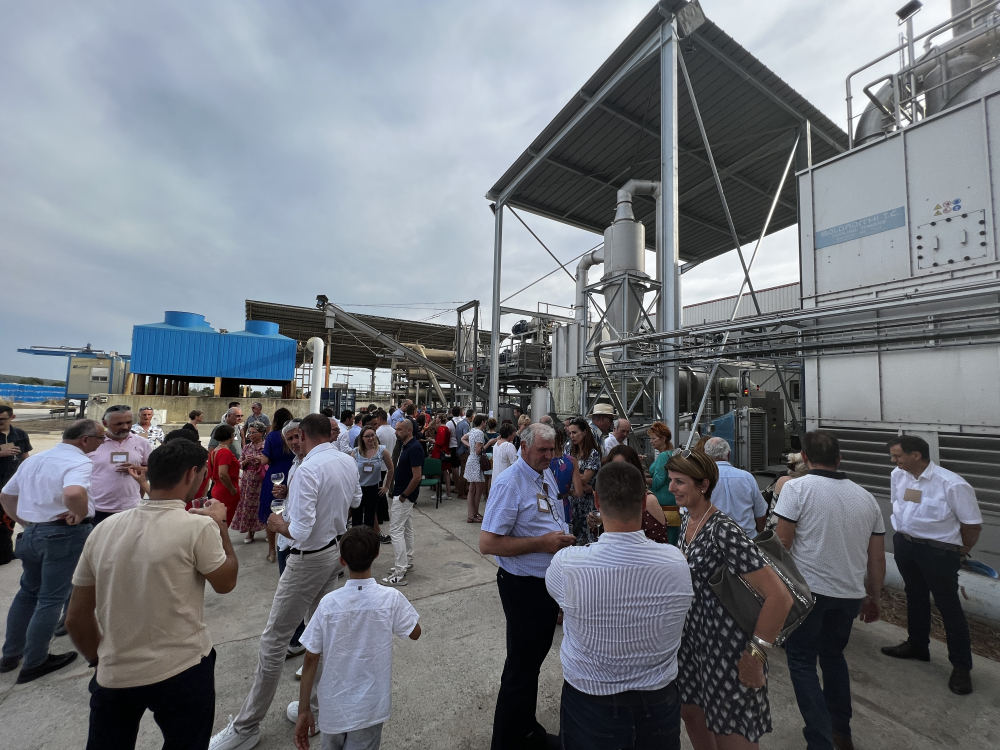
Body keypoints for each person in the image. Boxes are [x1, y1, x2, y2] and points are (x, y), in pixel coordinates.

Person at [65, 439, 239, 750]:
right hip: (183, 665)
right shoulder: (197, 527)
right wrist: (221, 524)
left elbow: (76, 616)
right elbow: (225, 582)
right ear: (192, 474)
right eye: (203, 475)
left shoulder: (104, 530)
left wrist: (99, 660)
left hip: (115, 671)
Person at [210, 413, 362, 750]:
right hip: (332, 551)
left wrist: (279, 525)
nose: (293, 443)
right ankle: (316, 710)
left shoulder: (309, 468)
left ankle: (247, 726)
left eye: (296, 438)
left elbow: (301, 530)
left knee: (274, 641)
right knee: (319, 633)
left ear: (304, 435)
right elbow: (355, 501)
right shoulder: (345, 460)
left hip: (308, 557)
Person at [546, 461, 693, 750]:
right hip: (658, 700)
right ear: (644, 502)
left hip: (591, 700)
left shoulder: (568, 564)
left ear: (597, 501)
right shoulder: (676, 562)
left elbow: (559, 599)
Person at [668, 449, 793, 749]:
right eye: (671, 480)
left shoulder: (723, 530)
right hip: (695, 646)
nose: (671, 488)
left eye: (680, 481)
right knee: (692, 713)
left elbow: (780, 597)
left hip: (727, 651)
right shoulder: (689, 521)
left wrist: (755, 656)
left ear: (704, 485)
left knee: (731, 730)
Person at [774, 430, 886, 750]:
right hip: (849, 595)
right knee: (834, 657)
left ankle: (820, 740)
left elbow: (783, 542)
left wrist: (774, 588)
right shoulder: (866, 498)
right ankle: (841, 731)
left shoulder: (796, 488)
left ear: (804, 458)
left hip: (808, 592)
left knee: (801, 661)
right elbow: (876, 557)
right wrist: (874, 596)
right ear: (839, 459)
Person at [480, 423, 576, 750]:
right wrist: (542, 543)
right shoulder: (510, 483)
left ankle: (525, 730)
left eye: (552, 450)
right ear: (523, 447)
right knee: (521, 668)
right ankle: (507, 741)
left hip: (544, 585)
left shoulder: (543, 472)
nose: (549, 456)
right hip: (524, 587)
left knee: (530, 664)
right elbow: (488, 543)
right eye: (542, 450)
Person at [294, 526, 421, 750]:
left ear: (342, 561)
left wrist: (304, 709)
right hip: (370, 707)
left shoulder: (328, 604)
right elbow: (415, 632)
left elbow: (311, 658)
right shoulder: (390, 598)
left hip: (333, 706)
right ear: (377, 554)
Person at [0, 419, 104, 683]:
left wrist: (26, 522)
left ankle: (11, 654)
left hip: (32, 534)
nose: (102, 443)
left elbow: (6, 495)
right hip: (62, 536)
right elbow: (73, 493)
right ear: (85, 440)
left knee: (27, 593)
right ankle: (35, 661)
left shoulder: (35, 460)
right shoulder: (78, 461)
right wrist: (79, 513)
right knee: (51, 598)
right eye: (100, 438)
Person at [880, 435, 983, 696]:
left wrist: (961, 550)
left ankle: (961, 666)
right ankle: (917, 645)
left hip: (938, 551)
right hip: (905, 544)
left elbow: (972, 525)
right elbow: (900, 504)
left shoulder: (952, 484)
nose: (893, 460)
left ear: (916, 455)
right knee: (915, 596)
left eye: (897, 456)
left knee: (948, 606)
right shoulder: (898, 475)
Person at [89, 405, 151, 526]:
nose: (125, 427)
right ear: (105, 423)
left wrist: (139, 469)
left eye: (129, 422)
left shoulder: (142, 443)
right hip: (97, 508)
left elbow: (154, 470)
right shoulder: (93, 443)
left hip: (131, 508)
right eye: (119, 424)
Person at [382, 419, 424, 587]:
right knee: (406, 528)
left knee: (396, 530)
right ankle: (407, 562)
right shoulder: (406, 446)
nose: (396, 432)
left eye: (399, 429)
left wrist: (404, 495)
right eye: (396, 429)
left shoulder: (414, 448)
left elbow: (417, 476)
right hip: (402, 493)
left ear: (409, 430)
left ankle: (400, 571)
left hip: (404, 495)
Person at [606, 444, 672, 545]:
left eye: (624, 466)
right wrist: (593, 524)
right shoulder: (608, 497)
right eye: (614, 467)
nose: (619, 471)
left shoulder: (648, 500)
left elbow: (661, 542)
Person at [703, 437, 768, 537]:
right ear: (729, 454)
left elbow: (688, 514)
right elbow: (761, 514)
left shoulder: (700, 479)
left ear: (705, 456)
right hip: (746, 539)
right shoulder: (747, 477)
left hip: (712, 539)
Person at [260, 408, 296, 563]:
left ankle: (272, 550)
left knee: (272, 511)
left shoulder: (272, 435)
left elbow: (265, 460)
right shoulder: (294, 434)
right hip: (292, 471)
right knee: (292, 509)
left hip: (275, 475)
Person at [0, 404, 33, 565]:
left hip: (14, 486)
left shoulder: (20, 434)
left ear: (12, 418)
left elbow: (26, 456)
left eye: (2, 419)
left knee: (9, 520)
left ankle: (7, 552)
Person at [566, 417, 601, 545]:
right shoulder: (569, 450)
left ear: (584, 432)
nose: (572, 436)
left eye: (575, 432)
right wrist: (579, 481)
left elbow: (585, 478)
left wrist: (569, 474)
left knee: (587, 538)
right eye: (570, 433)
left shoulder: (593, 453)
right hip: (572, 499)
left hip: (586, 503)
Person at [351, 426, 394, 531]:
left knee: (370, 519)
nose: (370, 438)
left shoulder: (382, 450)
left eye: (372, 435)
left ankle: (368, 539)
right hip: (358, 489)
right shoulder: (356, 452)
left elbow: (391, 468)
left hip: (373, 489)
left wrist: (387, 486)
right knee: (356, 519)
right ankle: (356, 540)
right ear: (362, 438)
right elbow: (349, 471)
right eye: (367, 436)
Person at [233, 423, 268, 543]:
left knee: (263, 504)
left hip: (262, 480)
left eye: (254, 432)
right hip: (248, 481)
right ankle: (250, 532)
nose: (251, 435)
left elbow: (272, 462)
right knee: (248, 506)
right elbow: (239, 463)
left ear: (262, 433)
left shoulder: (266, 446)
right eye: (250, 432)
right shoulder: (247, 447)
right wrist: (245, 462)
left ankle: (268, 531)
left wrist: (262, 460)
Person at [207, 423, 241, 524]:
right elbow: (222, 474)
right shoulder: (225, 452)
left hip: (217, 487)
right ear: (231, 436)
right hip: (226, 490)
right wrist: (232, 489)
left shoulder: (214, 452)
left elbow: (210, 472)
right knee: (224, 522)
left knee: (219, 521)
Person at [463, 414, 488, 523]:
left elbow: (463, 438)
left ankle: (470, 514)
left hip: (470, 460)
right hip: (476, 462)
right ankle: (476, 513)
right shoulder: (480, 433)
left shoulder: (472, 431)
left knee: (471, 489)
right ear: (483, 422)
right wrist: (488, 444)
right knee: (479, 490)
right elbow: (479, 451)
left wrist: (470, 446)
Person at [431, 411, 455, 498]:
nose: (435, 419)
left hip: (439, 452)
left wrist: (433, 441)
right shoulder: (446, 428)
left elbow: (440, 442)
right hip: (446, 451)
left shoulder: (441, 429)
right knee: (446, 472)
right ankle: (448, 492)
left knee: (437, 473)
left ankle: (438, 493)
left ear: (440, 419)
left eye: (437, 417)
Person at [446, 406, 465, 497]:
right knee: (463, 467)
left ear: (452, 413)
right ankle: (462, 487)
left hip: (453, 446)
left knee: (454, 467)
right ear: (460, 413)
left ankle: (457, 486)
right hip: (462, 445)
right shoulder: (463, 422)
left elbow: (447, 434)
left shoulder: (449, 423)